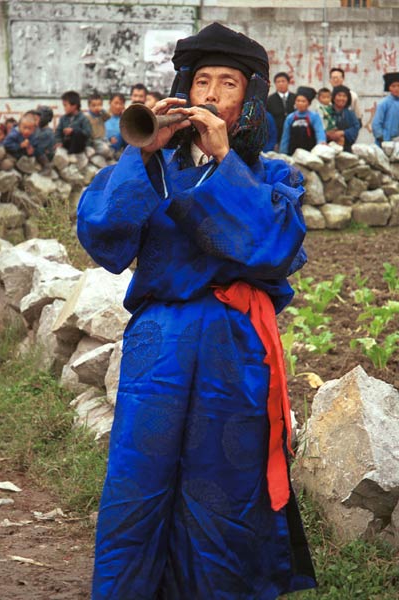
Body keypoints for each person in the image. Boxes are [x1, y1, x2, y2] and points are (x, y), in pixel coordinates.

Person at [78, 22, 316, 600]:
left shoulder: (271, 173)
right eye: (201, 81)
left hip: (234, 347)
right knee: (138, 484)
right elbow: (104, 238)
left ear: (248, 100)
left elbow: (275, 249)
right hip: (158, 344)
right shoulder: (150, 164)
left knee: (224, 490)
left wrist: (224, 160)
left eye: (227, 84)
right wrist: (143, 154)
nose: (209, 94)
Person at [279, 86, 326, 155]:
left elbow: (319, 133)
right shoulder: (290, 117)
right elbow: (285, 137)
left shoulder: (314, 117)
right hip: (292, 153)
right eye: (298, 101)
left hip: (310, 153)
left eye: (303, 101)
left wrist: (321, 144)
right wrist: (283, 153)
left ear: (308, 103)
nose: (300, 103)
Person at [327, 85, 360, 152]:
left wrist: (343, 132)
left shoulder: (350, 114)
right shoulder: (326, 111)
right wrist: (328, 134)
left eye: (344, 96)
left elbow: (356, 127)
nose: (341, 98)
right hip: (327, 147)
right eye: (339, 95)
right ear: (333, 97)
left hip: (346, 147)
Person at [266, 72, 296, 144]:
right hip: (277, 135)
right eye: (278, 82)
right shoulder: (269, 100)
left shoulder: (295, 98)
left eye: (283, 81)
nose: (281, 84)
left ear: (288, 82)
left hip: (294, 134)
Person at [372, 72, 399, 145]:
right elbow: (376, 123)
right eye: (393, 86)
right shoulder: (384, 103)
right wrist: (381, 138)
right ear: (389, 88)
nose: (396, 88)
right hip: (386, 141)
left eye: (398, 86)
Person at [87, 92, 112, 157]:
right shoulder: (87, 116)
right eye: (94, 105)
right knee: (105, 150)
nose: (96, 107)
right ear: (89, 106)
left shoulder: (101, 115)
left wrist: (102, 111)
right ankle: (95, 152)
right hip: (94, 140)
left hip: (103, 139)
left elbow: (108, 117)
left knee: (111, 149)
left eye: (99, 105)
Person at [34, 105, 55, 173]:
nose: (35, 120)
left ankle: (47, 166)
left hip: (44, 156)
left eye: (37, 119)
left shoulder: (47, 133)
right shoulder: (38, 129)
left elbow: (38, 147)